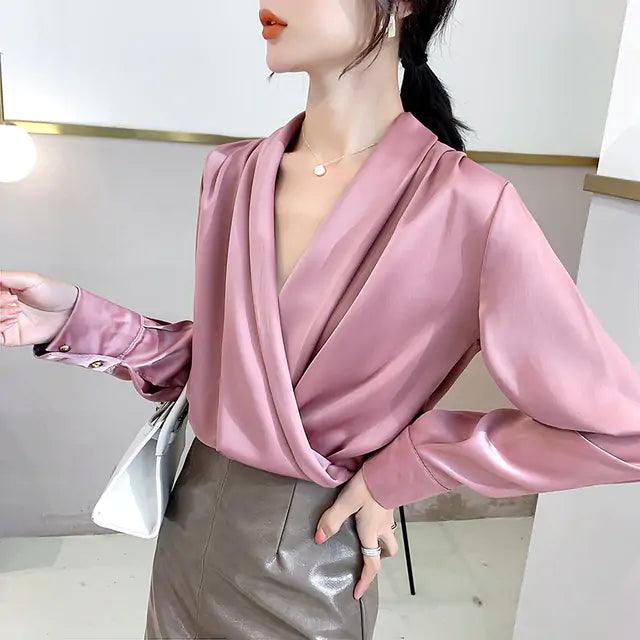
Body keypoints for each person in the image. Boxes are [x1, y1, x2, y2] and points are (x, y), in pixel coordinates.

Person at [3, 1, 640, 638]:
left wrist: (409, 466)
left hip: (307, 563)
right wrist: (71, 321)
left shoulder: (469, 207)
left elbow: (620, 433)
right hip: (186, 530)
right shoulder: (233, 174)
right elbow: (228, 372)